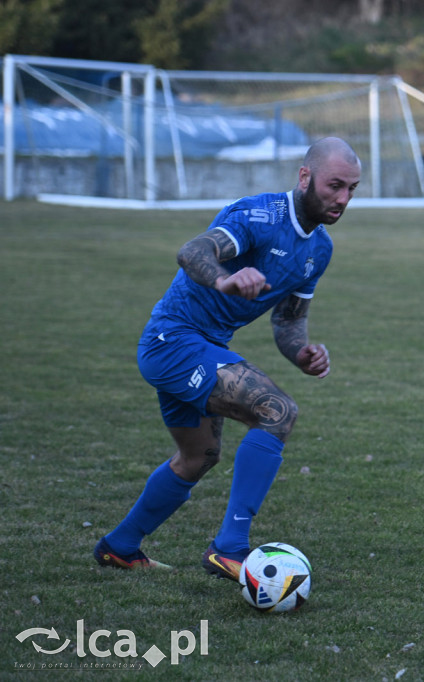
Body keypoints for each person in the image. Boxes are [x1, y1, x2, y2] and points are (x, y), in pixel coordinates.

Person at [93, 137, 361, 580]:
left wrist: (304, 354)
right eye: (335, 186)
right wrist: (225, 280)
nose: (343, 199)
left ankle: (119, 546)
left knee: (198, 457)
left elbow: (289, 321)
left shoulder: (319, 250)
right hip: (174, 340)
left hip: (205, 349)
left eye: (352, 189)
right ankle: (230, 549)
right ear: (305, 176)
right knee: (277, 411)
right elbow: (192, 252)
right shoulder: (258, 216)